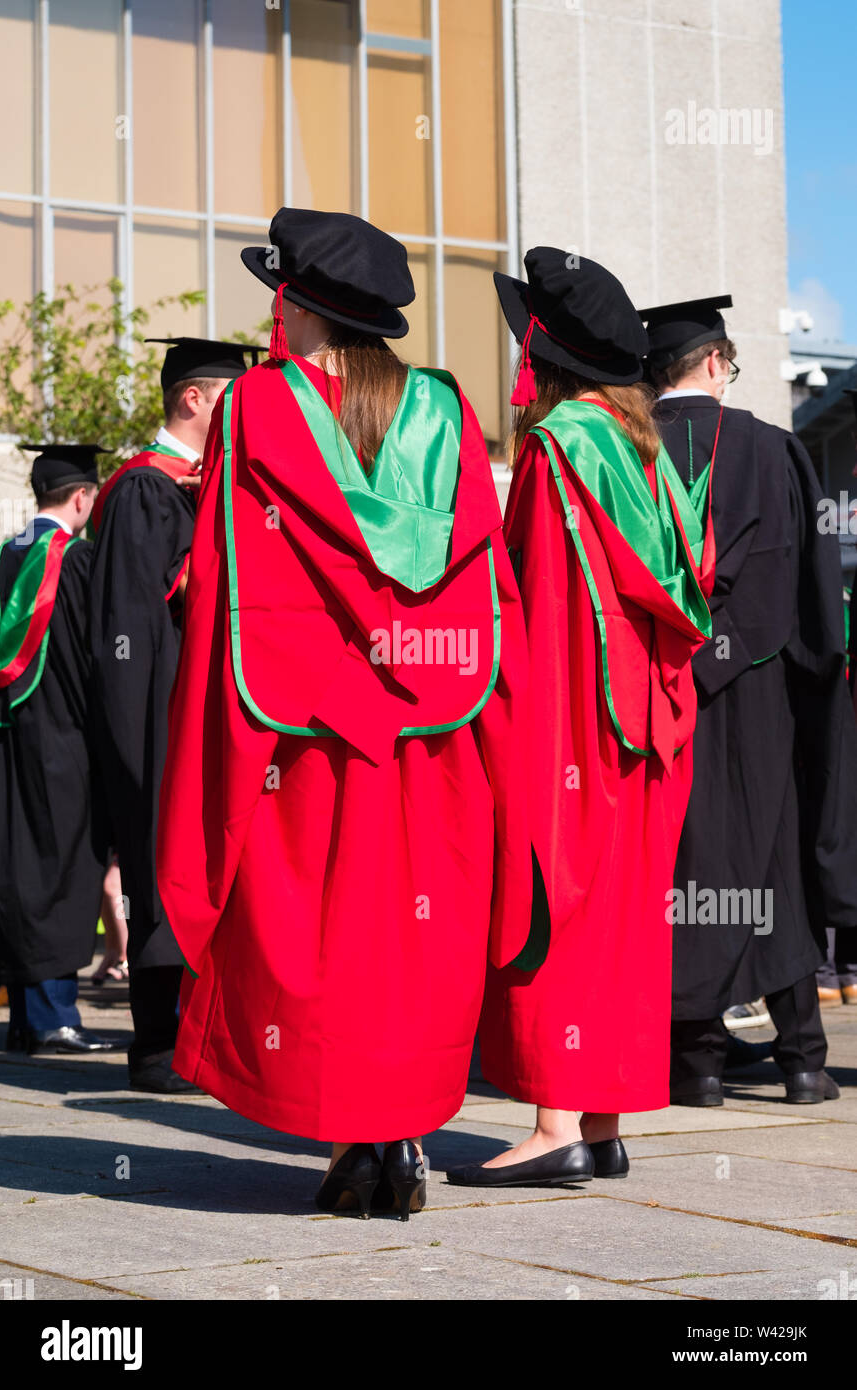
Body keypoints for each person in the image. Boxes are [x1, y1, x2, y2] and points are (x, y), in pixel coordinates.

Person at [156, 207, 533, 1218]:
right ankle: (395, 1136)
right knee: (415, 937)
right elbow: (484, 576)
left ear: (294, 302)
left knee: (323, 935)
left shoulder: (253, 409)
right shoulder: (445, 410)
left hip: (303, 730)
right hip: (431, 725)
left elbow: (229, 576)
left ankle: (352, 1141)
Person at [449, 250, 711, 1191]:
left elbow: (539, 596)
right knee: (622, 921)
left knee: (555, 901)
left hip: (572, 720)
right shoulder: (646, 451)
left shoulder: (562, 444)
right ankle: (600, 1122)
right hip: (649, 727)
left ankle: (554, 1123)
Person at [642, 294, 857, 1105]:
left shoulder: (627, 449)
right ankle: (802, 1058)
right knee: (771, 855)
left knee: (690, 863)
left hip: (662, 691)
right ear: (713, 361)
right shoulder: (773, 448)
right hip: (763, 689)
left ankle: (696, 1064)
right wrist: (811, 677)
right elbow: (810, 589)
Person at [89, 338, 263, 1093]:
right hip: (160, 714)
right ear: (194, 398)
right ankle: (158, 1047)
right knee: (164, 860)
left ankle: (205, 1040)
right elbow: (133, 625)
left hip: (206, 710)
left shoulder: (205, 483)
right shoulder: (142, 490)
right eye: (233, 394)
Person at [0, 445, 115, 1054]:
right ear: (82, 497)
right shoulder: (79, 561)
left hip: (4, 744)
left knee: (17, 868)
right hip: (65, 746)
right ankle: (53, 1018)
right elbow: (99, 664)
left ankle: (24, 1018)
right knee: (60, 870)